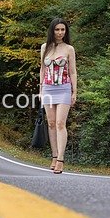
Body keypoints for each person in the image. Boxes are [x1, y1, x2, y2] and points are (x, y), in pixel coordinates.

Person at [39, 17, 77, 174]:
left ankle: (61, 158)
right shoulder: (44, 48)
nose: (60, 32)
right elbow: (42, 69)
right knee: (51, 123)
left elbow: (73, 71)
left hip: (64, 88)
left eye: (63, 29)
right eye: (57, 29)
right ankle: (54, 156)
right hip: (48, 88)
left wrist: (75, 91)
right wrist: (40, 90)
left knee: (61, 123)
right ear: (52, 31)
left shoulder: (69, 49)